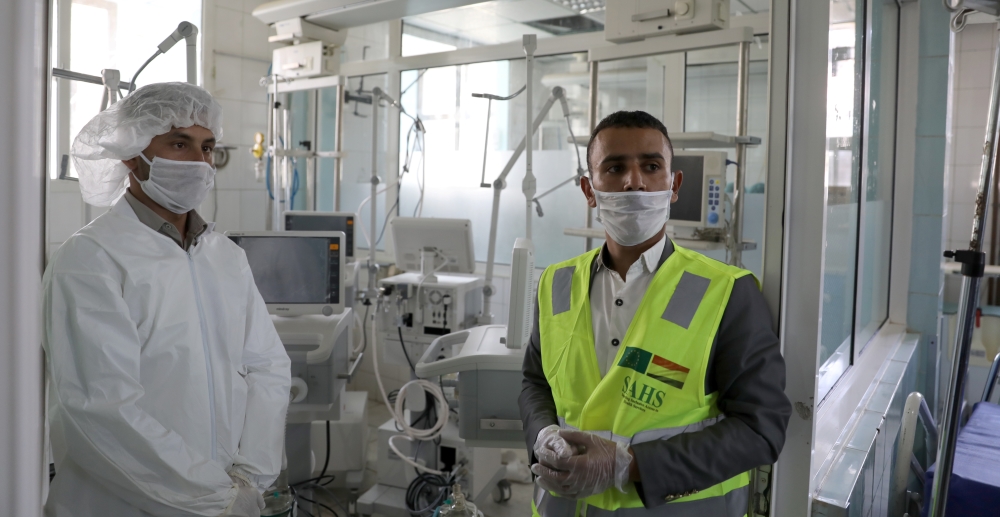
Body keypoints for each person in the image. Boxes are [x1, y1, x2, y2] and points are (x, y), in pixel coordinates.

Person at [519, 111, 791, 516]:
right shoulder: (556, 283)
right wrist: (541, 433)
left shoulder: (727, 293)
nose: (634, 182)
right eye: (614, 168)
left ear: (673, 184)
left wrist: (630, 465)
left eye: (651, 166)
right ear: (589, 190)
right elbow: (535, 382)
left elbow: (760, 428)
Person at [43, 82, 291, 517]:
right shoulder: (91, 258)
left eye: (208, 147)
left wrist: (249, 480)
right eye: (180, 143)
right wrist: (211, 499)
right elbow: (101, 408)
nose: (199, 162)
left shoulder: (225, 257)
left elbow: (268, 367)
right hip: (121, 503)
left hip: (229, 493)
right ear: (132, 154)